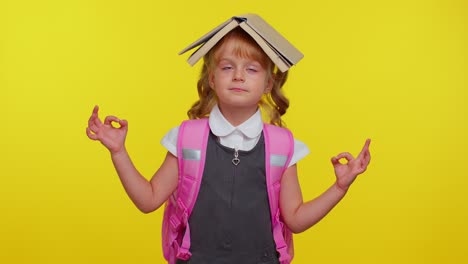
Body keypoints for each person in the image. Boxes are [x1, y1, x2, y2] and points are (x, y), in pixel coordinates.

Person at [86, 23, 371, 264]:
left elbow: (295, 219)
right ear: (211, 78)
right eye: (227, 67)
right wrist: (118, 151)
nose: (238, 75)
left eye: (251, 69)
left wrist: (339, 188)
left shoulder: (284, 146)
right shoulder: (186, 139)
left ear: (268, 84)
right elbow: (148, 200)